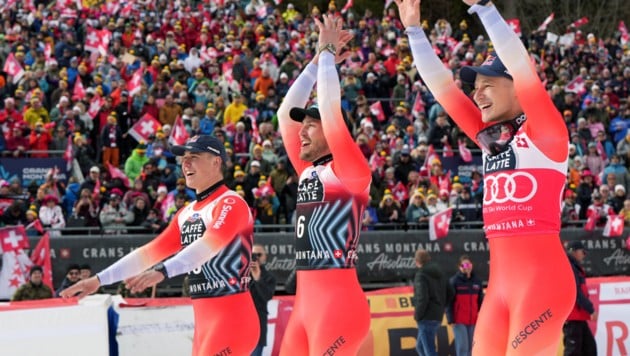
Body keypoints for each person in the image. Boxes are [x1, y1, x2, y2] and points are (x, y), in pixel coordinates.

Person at [397, 0, 575, 354]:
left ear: (516, 87)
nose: (476, 94)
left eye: (487, 85)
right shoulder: (490, 137)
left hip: (542, 285)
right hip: (500, 288)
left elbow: (521, 64)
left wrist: (484, 8)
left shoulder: (547, 131)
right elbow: (443, 89)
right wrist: (414, 32)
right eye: (475, 87)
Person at [60, 135, 259, 356]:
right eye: (184, 159)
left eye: (194, 157)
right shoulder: (186, 213)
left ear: (216, 162)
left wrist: (162, 271)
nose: (186, 164)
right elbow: (148, 253)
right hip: (205, 324)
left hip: (234, 321)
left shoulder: (231, 203)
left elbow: (207, 246)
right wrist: (98, 280)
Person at [276, 15, 372, 355]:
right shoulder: (307, 170)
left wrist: (329, 53)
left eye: (312, 126)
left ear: (332, 132)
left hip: (337, 306)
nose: (302, 131)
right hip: (306, 304)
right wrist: (315, 62)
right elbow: (286, 113)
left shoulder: (351, 172)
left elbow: (331, 111)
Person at [412, 249, 451, 356]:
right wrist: (441, 306)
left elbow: (422, 298)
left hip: (426, 316)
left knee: (429, 350)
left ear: (417, 261)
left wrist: (418, 315)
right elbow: (451, 292)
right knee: (420, 347)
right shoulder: (441, 273)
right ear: (429, 259)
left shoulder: (421, 275)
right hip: (437, 316)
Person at [563, 241, 598, 356]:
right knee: (573, 351)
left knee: (589, 349)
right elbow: (576, 292)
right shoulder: (570, 267)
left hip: (578, 317)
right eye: (583, 252)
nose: (584, 255)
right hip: (573, 317)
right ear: (574, 251)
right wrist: (591, 309)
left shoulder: (574, 267)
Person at [446, 255, 484, 356]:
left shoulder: (477, 281)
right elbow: (449, 301)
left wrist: (482, 317)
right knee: (463, 347)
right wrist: (450, 319)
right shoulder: (454, 281)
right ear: (460, 267)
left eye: (469, 264)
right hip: (459, 320)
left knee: (471, 348)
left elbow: (481, 301)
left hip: (472, 320)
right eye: (465, 265)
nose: (467, 267)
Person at [249, 244, 277, 356]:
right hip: (241, 325)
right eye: (253, 255)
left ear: (265, 257)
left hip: (258, 325)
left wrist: (257, 278)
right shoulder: (241, 275)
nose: (256, 257)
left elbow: (267, 296)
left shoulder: (269, 277)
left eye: (258, 255)